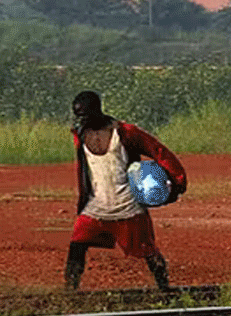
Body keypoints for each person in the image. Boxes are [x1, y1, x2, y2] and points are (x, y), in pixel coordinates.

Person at [66, 90, 187, 292]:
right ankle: (69, 294)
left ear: (97, 110)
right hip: (95, 208)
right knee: (76, 247)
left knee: (148, 252)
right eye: (78, 115)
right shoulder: (80, 135)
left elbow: (159, 151)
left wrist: (176, 184)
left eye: (84, 114)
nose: (81, 119)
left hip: (129, 208)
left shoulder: (126, 133)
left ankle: (165, 291)